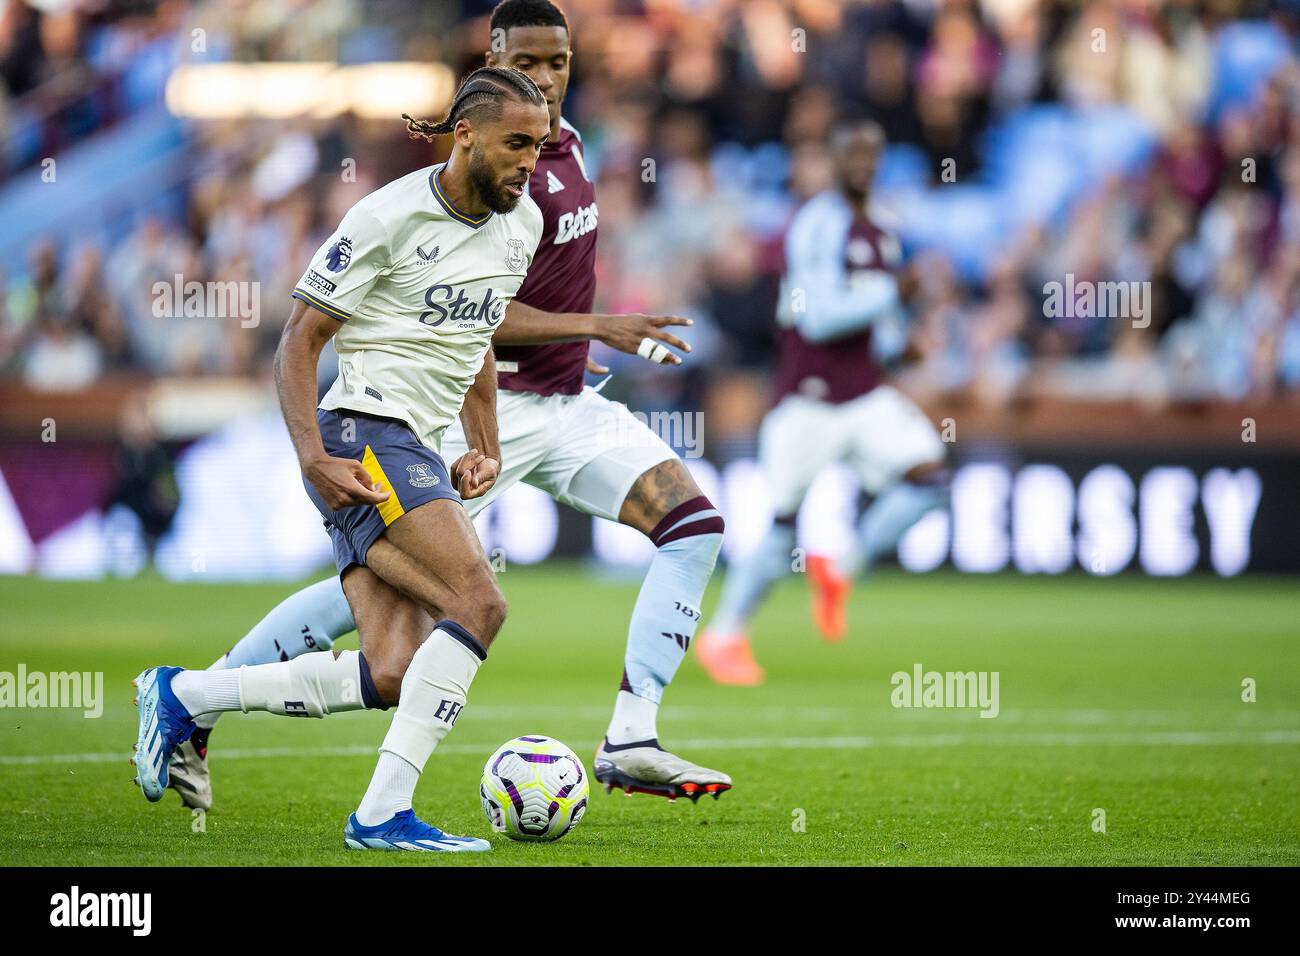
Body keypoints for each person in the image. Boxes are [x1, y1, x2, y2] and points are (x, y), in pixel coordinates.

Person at [165, 0, 730, 814]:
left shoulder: (555, 150)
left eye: (559, 63)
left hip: (567, 405)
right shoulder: (479, 172)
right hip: (466, 409)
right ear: (493, 57)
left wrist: (584, 339)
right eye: (528, 63)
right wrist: (597, 323)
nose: (546, 77)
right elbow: (476, 315)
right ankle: (204, 699)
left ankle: (631, 737)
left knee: (694, 527)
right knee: (365, 600)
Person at [132, 66, 551, 852]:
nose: (531, 162)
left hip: (420, 449)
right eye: (517, 143)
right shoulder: (386, 216)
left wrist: (483, 445)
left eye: (541, 145)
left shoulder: (519, 223)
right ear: (465, 134)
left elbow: (476, 339)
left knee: (391, 671)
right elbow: (299, 342)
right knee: (480, 603)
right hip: (365, 434)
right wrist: (310, 456)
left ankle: (186, 694)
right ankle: (382, 814)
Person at [695, 120, 949, 687]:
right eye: (851, 152)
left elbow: (874, 324)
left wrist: (897, 345)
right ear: (834, 162)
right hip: (807, 397)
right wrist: (890, 295)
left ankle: (841, 568)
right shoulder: (817, 225)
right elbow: (818, 316)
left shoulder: (881, 227)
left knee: (931, 480)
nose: (861, 162)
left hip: (863, 392)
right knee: (782, 526)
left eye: (870, 152)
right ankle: (725, 636)